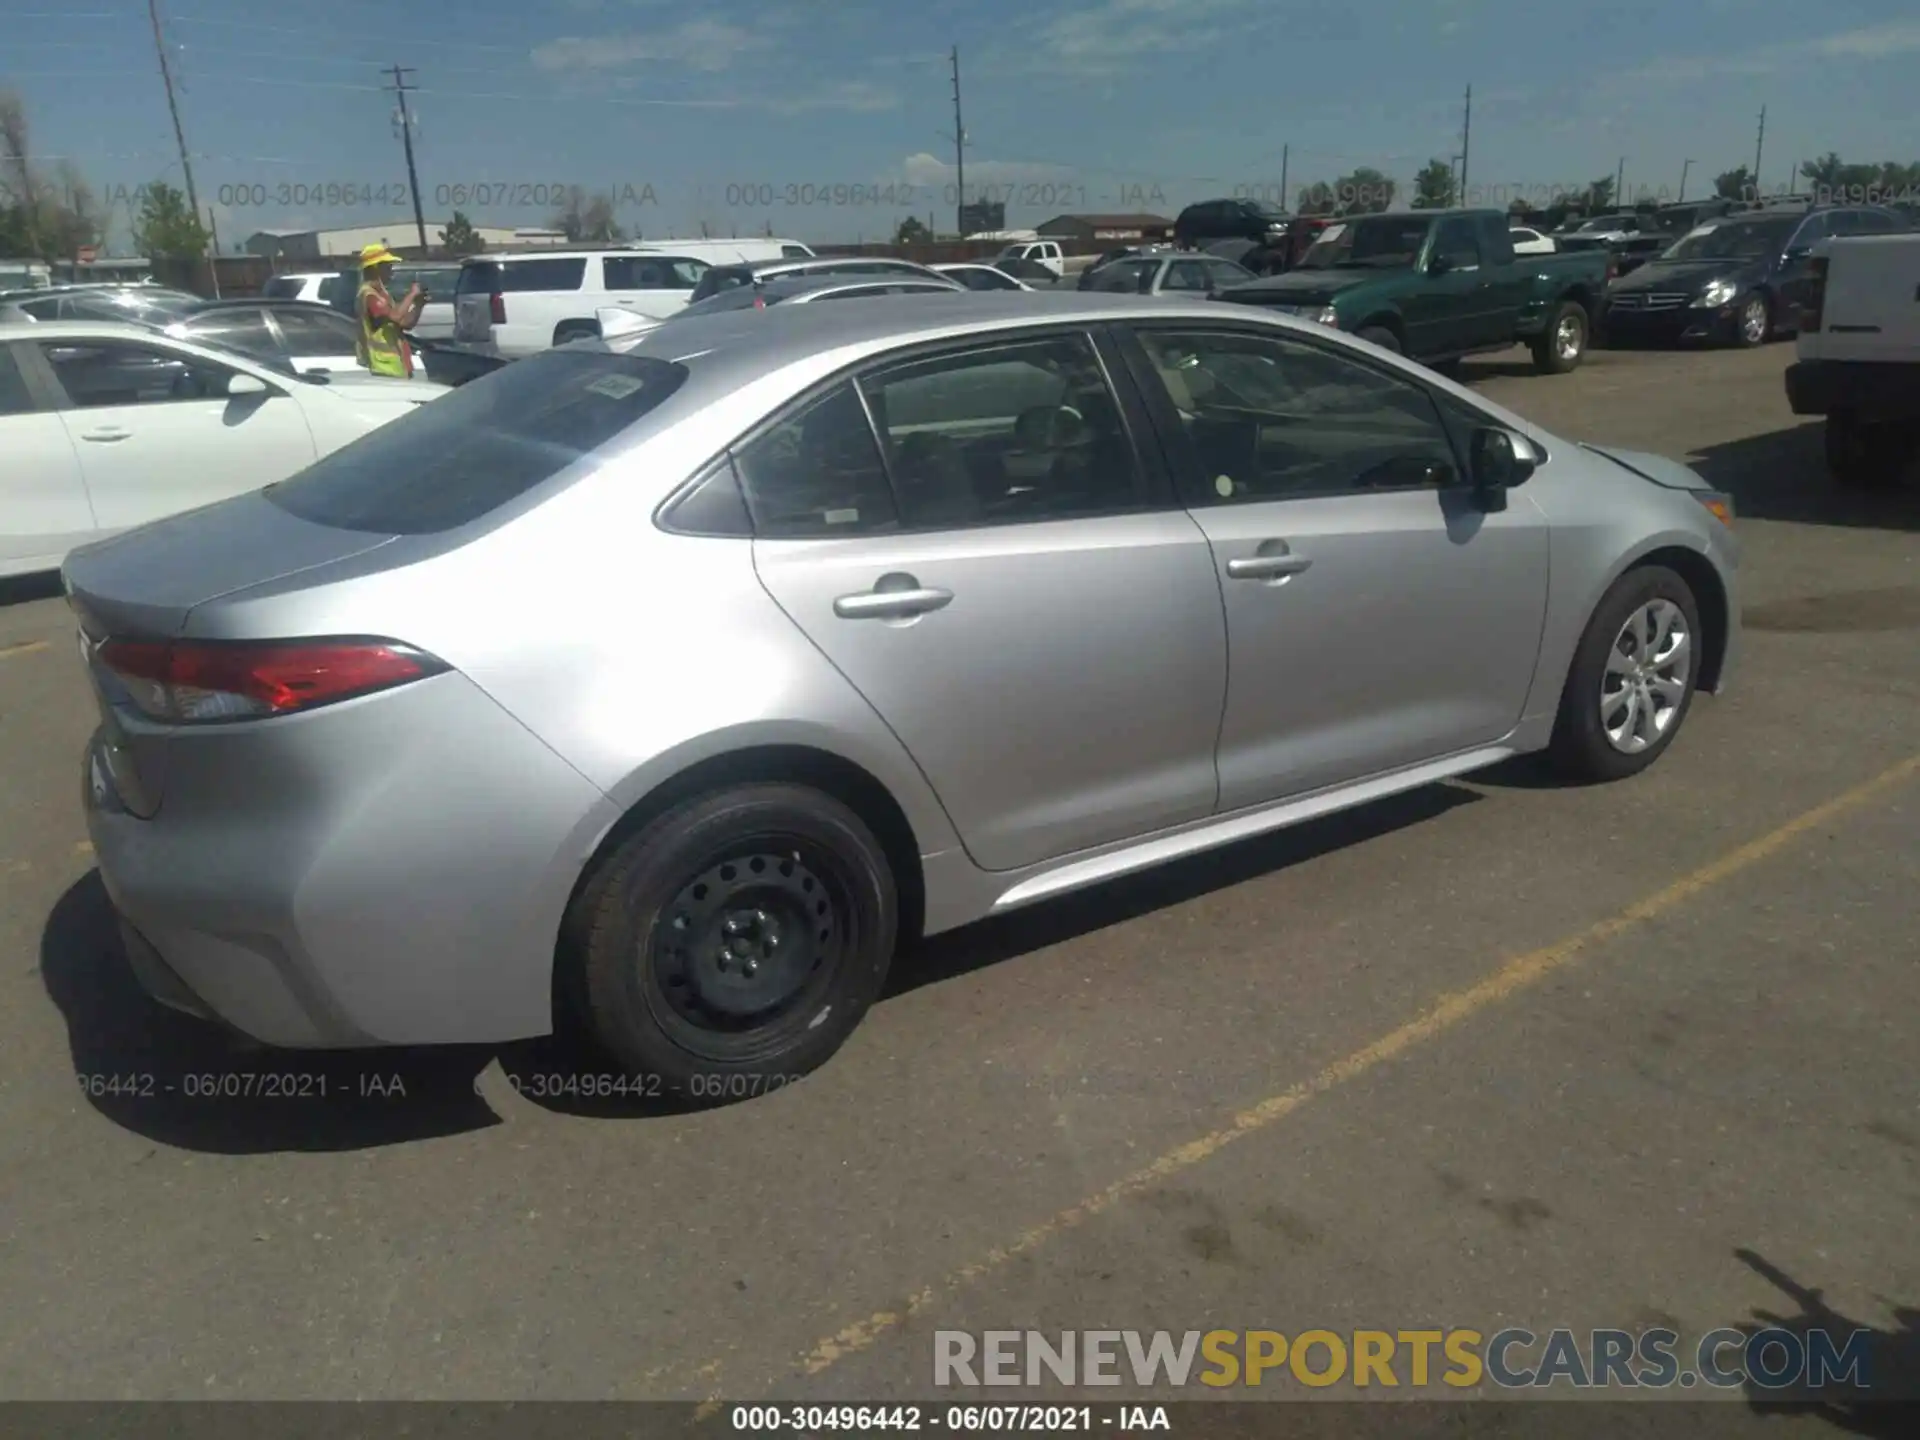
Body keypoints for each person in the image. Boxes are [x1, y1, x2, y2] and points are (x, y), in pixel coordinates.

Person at [354, 242, 426, 378]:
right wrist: (411, 294)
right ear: (376, 269)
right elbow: (395, 316)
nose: (391, 271)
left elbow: (404, 323)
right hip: (385, 368)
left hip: (399, 365)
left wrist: (418, 305)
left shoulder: (383, 294)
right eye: (388, 267)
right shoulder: (369, 295)